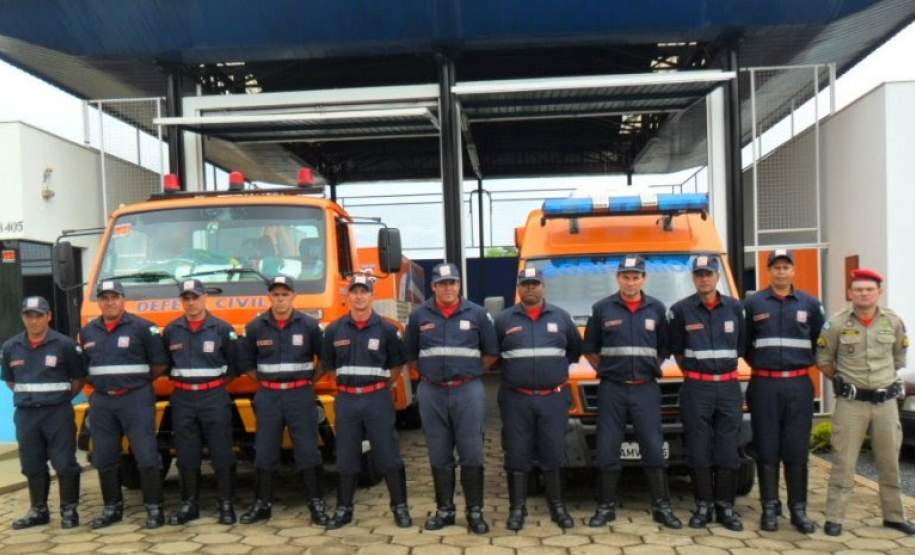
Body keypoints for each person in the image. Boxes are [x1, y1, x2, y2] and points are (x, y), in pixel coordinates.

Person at [582, 255, 682, 529]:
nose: (630, 282)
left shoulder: (657, 309)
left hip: (645, 389)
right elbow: (589, 348)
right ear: (618, 278)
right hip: (612, 389)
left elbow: (664, 348)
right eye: (626, 277)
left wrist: (650, 368)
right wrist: (608, 370)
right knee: (607, 448)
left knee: (653, 447)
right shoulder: (602, 309)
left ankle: (662, 507)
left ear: (644, 279)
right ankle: (606, 507)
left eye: (636, 277)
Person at [818, 267, 915, 537]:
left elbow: (899, 359)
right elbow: (824, 360)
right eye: (858, 289)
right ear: (850, 293)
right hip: (852, 404)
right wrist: (843, 382)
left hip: (886, 404)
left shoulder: (893, 322)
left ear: (878, 292)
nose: (864, 294)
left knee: (889, 461)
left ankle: (894, 516)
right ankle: (835, 517)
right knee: (843, 462)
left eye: (869, 289)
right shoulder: (836, 324)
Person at [404, 262, 499, 534]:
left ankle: (474, 511)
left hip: (467, 390)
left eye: (452, 283)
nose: (448, 288)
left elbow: (491, 353)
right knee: (438, 452)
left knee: (472, 452)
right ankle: (444, 510)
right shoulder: (419, 316)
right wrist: (430, 375)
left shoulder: (478, 314)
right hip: (432, 391)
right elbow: (411, 356)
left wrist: (470, 372)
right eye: (442, 283)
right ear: (433, 287)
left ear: (459, 285)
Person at [322, 274, 412, 529]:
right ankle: (344, 509)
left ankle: (400, 508)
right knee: (346, 455)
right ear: (347, 296)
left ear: (372, 295)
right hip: (347, 400)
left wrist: (378, 386)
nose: (359, 296)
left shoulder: (387, 329)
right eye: (355, 292)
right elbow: (329, 366)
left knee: (388, 454)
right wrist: (351, 385)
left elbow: (397, 365)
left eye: (364, 291)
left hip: (377, 399)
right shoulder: (334, 330)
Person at [79, 279, 170, 529]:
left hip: (135, 398)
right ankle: (112, 509)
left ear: (123, 300)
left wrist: (135, 383)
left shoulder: (143, 328)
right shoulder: (88, 332)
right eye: (104, 298)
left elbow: (160, 364)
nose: (110, 302)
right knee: (104, 457)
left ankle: (154, 508)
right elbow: (84, 368)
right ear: (99, 302)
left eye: (114, 297)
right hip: (102, 401)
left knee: (146, 456)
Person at [495, 267, 581, 530]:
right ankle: (517, 510)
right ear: (518, 288)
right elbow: (492, 355)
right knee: (517, 455)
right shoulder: (503, 320)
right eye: (525, 284)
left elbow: (574, 351)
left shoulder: (561, 317)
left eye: (535, 283)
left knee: (553, 453)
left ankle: (557, 507)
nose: (530, 288)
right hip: (516, 399)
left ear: (543, 286)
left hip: (552, 399)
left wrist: (549, 373)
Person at [743, 249, 822, 533]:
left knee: (796, 449)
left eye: (785, 267)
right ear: (768, 271)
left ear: (793, 270)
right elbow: (744, 344)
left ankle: (798, 510)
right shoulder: (753, 303)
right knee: (766, 449)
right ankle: (769, 508)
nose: (781, 271)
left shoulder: (810, 304)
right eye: (776, 267)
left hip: (798, 385)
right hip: (764, 384)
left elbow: (819, 343)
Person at [238, 275, 327, 525]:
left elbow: (325, 359)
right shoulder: (255, 327)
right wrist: (266, 382)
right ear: (269, 297)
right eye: (276, 295)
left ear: (293, 296)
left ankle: (316, 504)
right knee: (265, 451)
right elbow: (246, 362)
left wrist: (309, 381)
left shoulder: (309, 325)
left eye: (285, 294)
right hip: (269, 396)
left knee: (307, 450)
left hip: (300, 395)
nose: (280, 299)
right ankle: (262, 505)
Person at [668, 255, 746, 531]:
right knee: (698, 449)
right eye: (699, 274)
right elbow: (678, 351)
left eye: (709, 273)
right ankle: (703, 505)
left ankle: (725, 507)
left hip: (728, 387)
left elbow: (742, 346)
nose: (704, 279)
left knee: (728, 448)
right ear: (693, 278)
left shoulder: (736, 308)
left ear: (717, 277)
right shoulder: (680, 310)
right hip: (696, 388)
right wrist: (698, 374)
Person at [2, 296, 85, 529]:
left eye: (38, 315)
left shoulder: (65, 345)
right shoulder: (11, 347)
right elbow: (10, 381)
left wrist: (57, 398)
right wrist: (33, 398)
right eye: (29, 316)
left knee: (64, 463)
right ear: (23, 318)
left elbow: (79, 378)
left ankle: (69, 510)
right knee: (32, 464)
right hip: (27, 415)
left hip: (57, 413)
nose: (34, 321)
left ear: (48, 316)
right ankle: (38, 510)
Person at [163, 279, 240, 525]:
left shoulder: (222, 329)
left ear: (205, 297)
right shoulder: (171, 330)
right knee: (186, 453)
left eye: (195, 297)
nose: (191, 302)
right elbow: (166, 365)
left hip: (214, 396)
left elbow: (234, 366)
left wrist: (213, 385)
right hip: (183, 398)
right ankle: (189, 505)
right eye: (186, 298)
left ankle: (226, 504)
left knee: (222, 452)